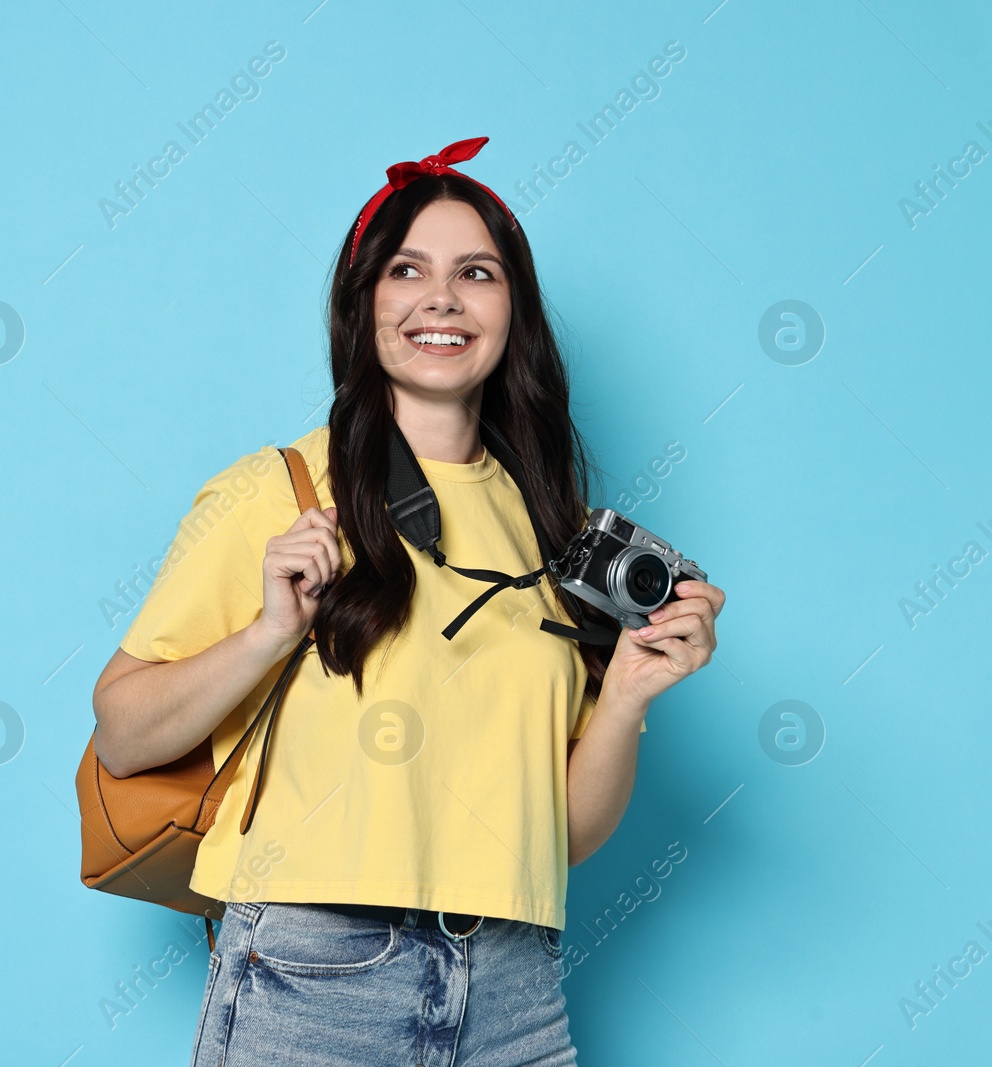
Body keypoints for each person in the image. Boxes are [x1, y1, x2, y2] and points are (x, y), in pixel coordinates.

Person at [90, 137, 725, 1067]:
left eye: (478, 272)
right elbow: (122, 733)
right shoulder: (283, 491)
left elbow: (562, 837)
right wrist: (272, 631)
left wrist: (627, 692)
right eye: (407, 270)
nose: (443, 298)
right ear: (366, 305)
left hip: (513, 981)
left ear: (516, 310)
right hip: (313, 974)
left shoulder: (555, 530)